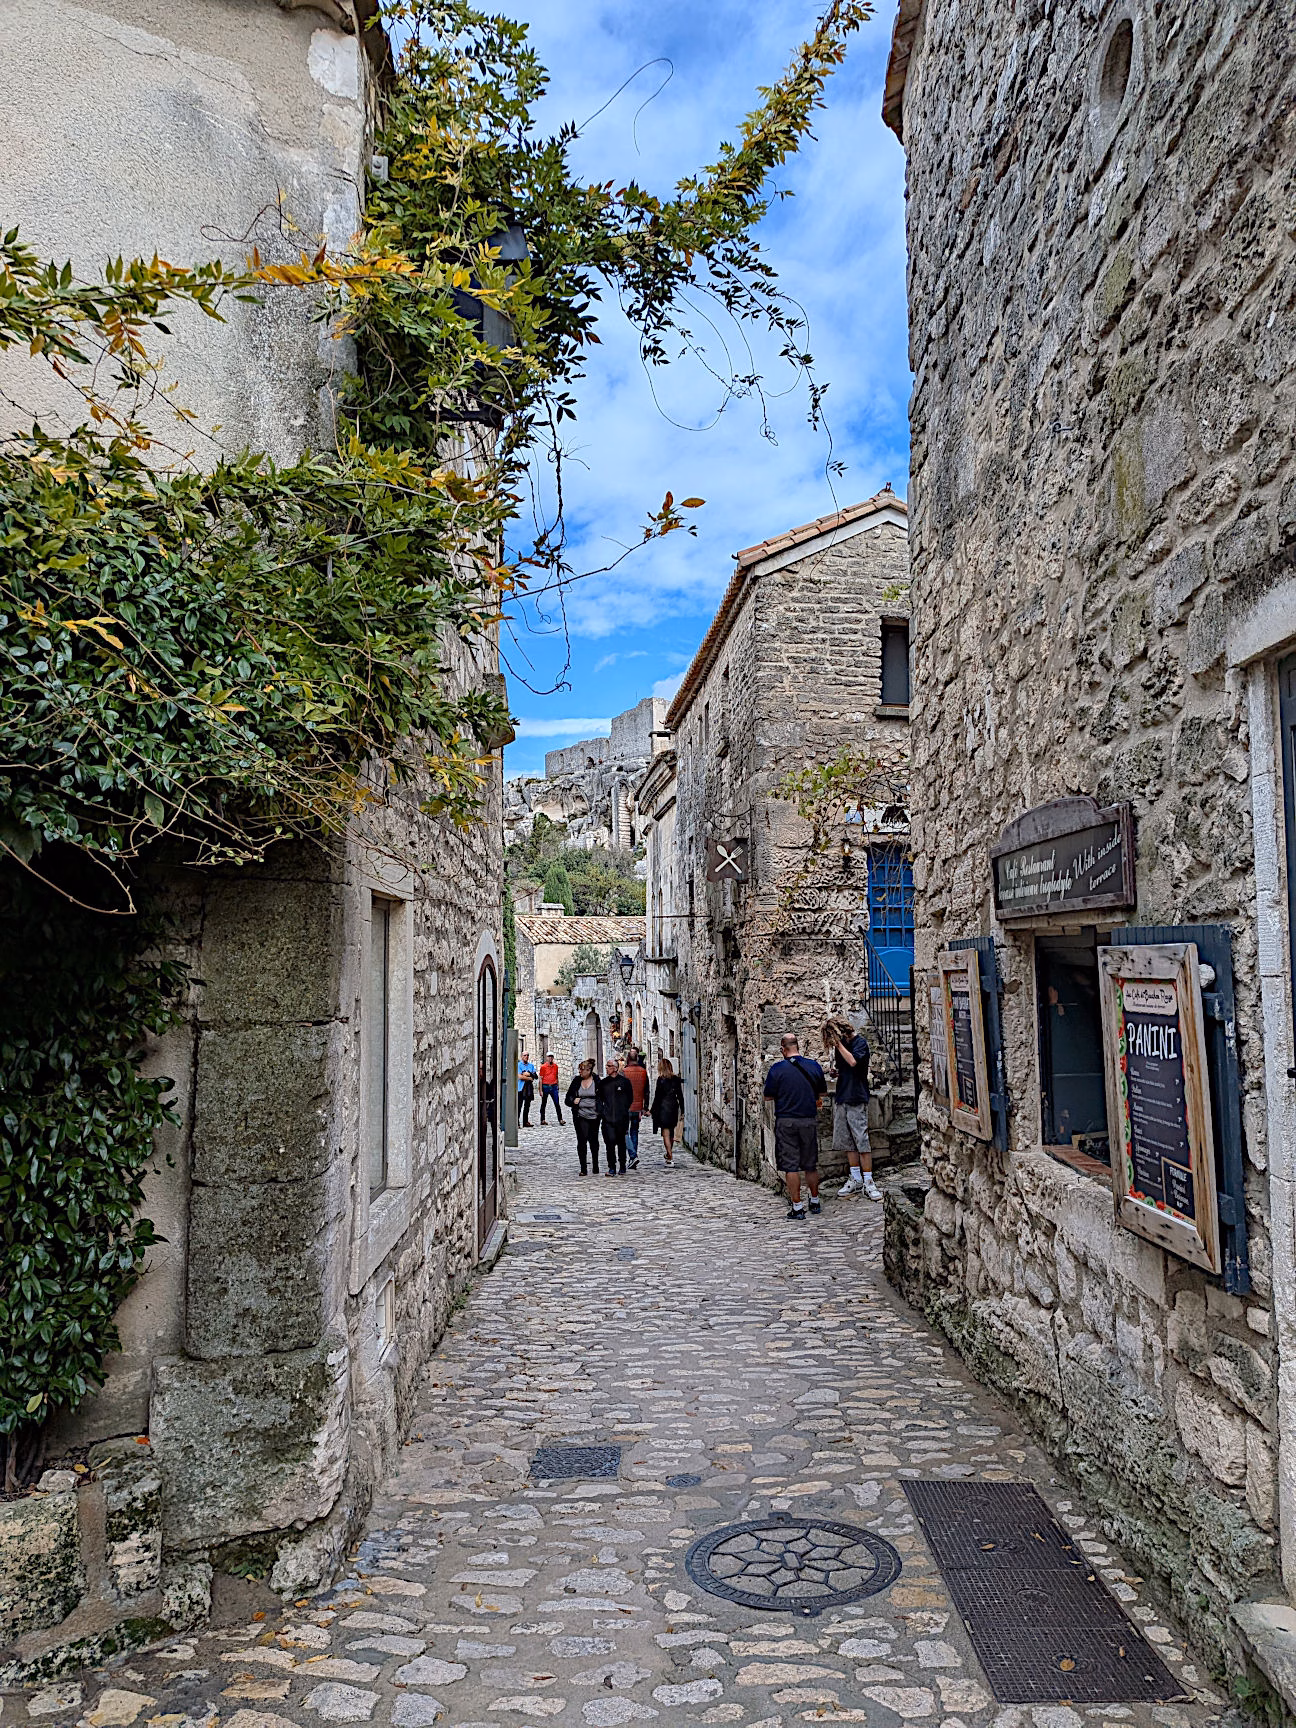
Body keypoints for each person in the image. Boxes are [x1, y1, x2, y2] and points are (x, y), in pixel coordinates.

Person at [763, 1031, 827, 1222]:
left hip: (786, 1121)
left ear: (783, 1049)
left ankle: (797, 1207)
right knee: (810, 1164)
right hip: (808, 1119)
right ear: (797, 1046)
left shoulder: (776, 1070)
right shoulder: (814, 1066)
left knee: (791, 1166)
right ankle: (814, 1201)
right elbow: (822, 1092)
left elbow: (768, 1096)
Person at [824, 1016, 880, 1199]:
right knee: (847, 1140)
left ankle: (869, 1181)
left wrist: (839, 1045)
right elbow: (845, 1068)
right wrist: (836, 1072)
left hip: (856, 1096)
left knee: (861, 1139)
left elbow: (854, 1062)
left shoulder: (860, 1043)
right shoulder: (842, 1048)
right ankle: (855, 1178)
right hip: (842, 1096)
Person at [598, 1058, 634, 1176]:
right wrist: (603, 1112)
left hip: (621, 1118)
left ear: (615, 1068)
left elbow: (630, 1098)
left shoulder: (624, 1082)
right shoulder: (603, 1083)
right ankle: (611, 1167)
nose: (606, 1068)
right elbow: (599, 1099)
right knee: (609, 1143)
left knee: (621, 1142)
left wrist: (623, 1110)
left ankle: (622, 1165)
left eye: (608, 1066)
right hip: (608, 1118)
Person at [565, 1058, 601, 1174]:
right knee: (582, 1140)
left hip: (594, 1115)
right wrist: (573, 1100)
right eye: (579, 1069)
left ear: (589, 1070)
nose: (580, 1072)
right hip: (580, 1115)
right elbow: (568, 1098)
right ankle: (583, 1168)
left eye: (582, 1070)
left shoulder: (596, 1080)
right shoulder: (576, 1081)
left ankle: (595, 1165)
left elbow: (602, 1096)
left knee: (593, 1140)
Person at [651, 1056, 685, 1165]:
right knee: (671, 1133)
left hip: (663, 1108)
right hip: (673, 1107)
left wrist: (652, 1110)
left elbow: (657, 1097)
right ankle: (669, 1153)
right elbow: (680, 1096)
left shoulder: (660, 1080)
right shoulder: (676, 1079)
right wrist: (682, 1110)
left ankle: (669, 1154)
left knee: (665, 1133)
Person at [624, 1048, 651, 1169]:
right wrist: (645, 1107)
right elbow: (647, 1091)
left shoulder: (624, 1072)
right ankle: (632, 1157)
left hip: (626, 1107)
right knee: (634, 1131)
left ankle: (633, 1155)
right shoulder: (643, 1072)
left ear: (628, 1059)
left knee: (624, 1132)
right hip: (638, 1107)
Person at [539, 1053, 563, 1125]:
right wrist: (540, 1090)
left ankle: (560, 1119)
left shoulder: (555, 1066)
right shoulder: (543, 1067)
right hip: (545, 1086)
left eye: (551, 1057)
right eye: (549, 1057)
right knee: (544, 1103)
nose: (550, 1058)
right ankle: (542, 1119)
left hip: (553, 1086)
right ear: (546, 1058)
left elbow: (556, 1076)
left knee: (557, 1103)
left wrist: (557, 1085)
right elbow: (540, 1078)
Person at [517, 1050, 537, 1127]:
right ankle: (517, 1122)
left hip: (528, 1088)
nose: (526, 1056)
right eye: (524, 1055)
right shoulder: (519, 1065)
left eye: (527, 1055)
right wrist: (529, 1077)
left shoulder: (531, 1065)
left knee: (527, 1105)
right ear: (522, 1056)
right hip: (521, 1087)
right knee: (519, 1106)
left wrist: (526, 1074)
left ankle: (525, 1122)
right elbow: (520, 1077)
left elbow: (535, 1076)